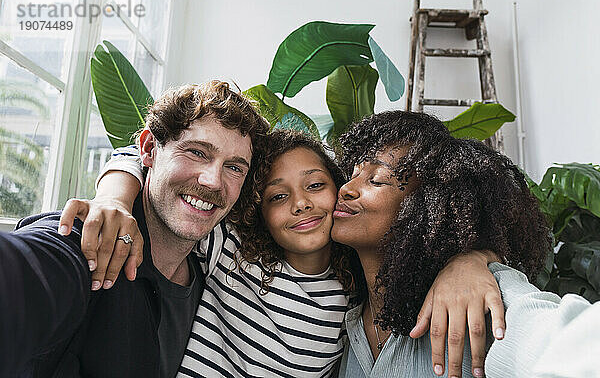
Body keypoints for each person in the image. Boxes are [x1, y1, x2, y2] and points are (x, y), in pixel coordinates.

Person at [64, 128, 508, 377]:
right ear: (258, 211)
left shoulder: (356, 296)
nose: (300, 204)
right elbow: (141, 154)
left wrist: (472, 258)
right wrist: (115, 200)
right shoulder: (229, 252)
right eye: (278, 196)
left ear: (338, 191)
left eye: (316, 185)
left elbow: (440, 233)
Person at [0, 81, 270, 377]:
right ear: (150, 149)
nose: (213, 181)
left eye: (234, 167)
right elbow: (30, 271)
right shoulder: (90, 241)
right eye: (196, 152)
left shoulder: (219, 270)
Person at [331, 110, 552, 377]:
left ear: (429, 206)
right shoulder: (340, 306)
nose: (346, 189)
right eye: (352, 174)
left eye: (376, 180)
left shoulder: (482, 292)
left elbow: (561, 343)